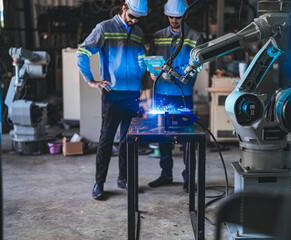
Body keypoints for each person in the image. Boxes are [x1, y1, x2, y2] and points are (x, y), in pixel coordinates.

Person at [76, 0, 148, 200]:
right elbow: (82, 53)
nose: (134, 21)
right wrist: (91, 80)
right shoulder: (104, 28)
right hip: (113, 94)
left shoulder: (138, 32)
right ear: (124, 8)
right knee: (106, 141)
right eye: (132, 16)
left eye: (138, 18)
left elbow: (140, 61)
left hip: (133, 94)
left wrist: (146, 67)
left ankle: (123, 178)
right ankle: (99, 184)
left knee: (128, 140)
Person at [146, 0, 203, 192]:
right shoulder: (158, 36)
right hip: (161, 92)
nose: (174, 21)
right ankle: (166, 174)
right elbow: (150, 59)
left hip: (182, 93)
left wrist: (188, 75)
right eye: (171, 17)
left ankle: (189, 178)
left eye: (177, 18)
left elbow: (199, 65)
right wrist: (152, 72)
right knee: (163, 136)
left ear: (185, 16)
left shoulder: (195, 36)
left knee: (187, 137)